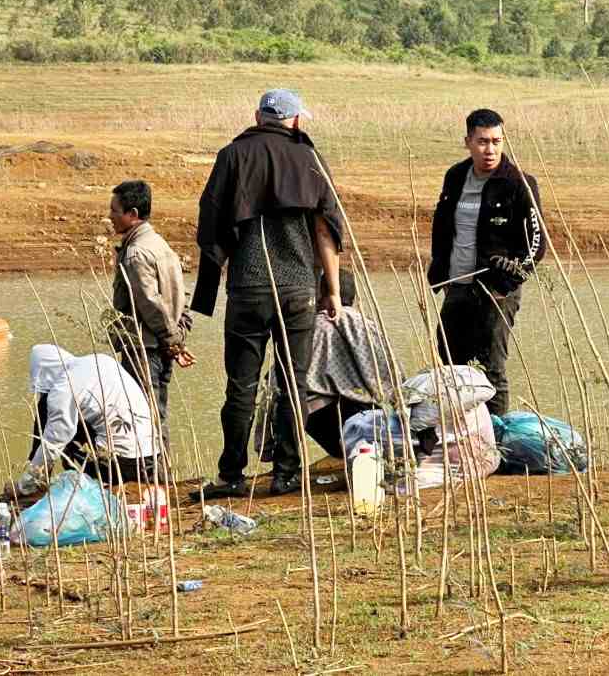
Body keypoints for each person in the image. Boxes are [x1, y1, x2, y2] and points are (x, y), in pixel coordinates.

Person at [192, 89, 344, 498]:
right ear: (294, 120)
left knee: (240, 385)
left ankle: (231, 476)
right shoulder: (308, 158)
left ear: (259, 116)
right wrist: (332, 290)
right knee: (293, 385)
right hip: (298, 288)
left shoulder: (232, 156)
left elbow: (211, 225)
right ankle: (286, 475)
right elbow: (324, 229)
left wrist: (209, 285)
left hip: (247, 288)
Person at [427, 108, 545, 417]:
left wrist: (505, 284)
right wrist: (438, 271)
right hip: (457, 285)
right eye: (482, 141)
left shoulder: (519, 183)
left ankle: (498, 437)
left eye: (496, 141)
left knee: (492, 365)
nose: (489, 149)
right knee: (450, 361)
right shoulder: (455, 176)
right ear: (468, 141)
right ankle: (463, 432)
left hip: (496, 289)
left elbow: (537, 244)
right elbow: (442, 226)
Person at [267, 270, 400, 460]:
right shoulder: (369, 326)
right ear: (352, 297)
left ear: (319, 295)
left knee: (290, 401)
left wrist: (265, 443)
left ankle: (288, 463)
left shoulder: (306, 328)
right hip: (366, 423)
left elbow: (275, 385)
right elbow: (395, 380)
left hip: (321, 421)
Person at [7, 343, 158, 497]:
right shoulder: (100, 360)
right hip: (150, 455)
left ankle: (38, 482)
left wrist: (22, 486)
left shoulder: (63, 389)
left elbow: (53, 442)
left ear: (42, 373)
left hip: (122, 464)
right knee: (60, 417)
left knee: (54, 424)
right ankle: (41, 476)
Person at [109, 179, 194, 447]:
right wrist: (177, 339)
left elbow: (150, 303)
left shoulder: (135, 253)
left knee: (144, 414)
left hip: (145, 346)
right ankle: (160, 473)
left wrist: (173, 342)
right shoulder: (159, 243)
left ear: (132, 214)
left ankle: (155, 474)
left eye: (114, 211)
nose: (110, 217)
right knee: (156, 410)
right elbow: (181, 296)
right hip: (162, 344)